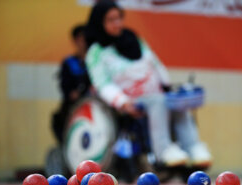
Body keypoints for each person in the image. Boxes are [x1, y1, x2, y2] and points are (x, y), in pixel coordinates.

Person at [85, 0, 212, 167]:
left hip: (157, 93)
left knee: (177, 100)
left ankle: (193, 148)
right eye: (111, 20)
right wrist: (123, 102)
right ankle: (163, 151)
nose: (117, 23)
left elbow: (155, 63)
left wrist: (168, 87)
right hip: (132, 100)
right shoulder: (96, 52)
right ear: (99, 23)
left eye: (119, 18)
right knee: (158, 101)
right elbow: (103, 84)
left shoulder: (134, 38)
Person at [52, 24, 92, 144]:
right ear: (75, 41)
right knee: (59, 120)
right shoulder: (69, 62)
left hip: (95, 103)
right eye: (79, 39)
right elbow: (65, 86)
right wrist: (71, 93)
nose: (82, 42)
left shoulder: (95, 61)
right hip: (74, 105)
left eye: (85, 38)